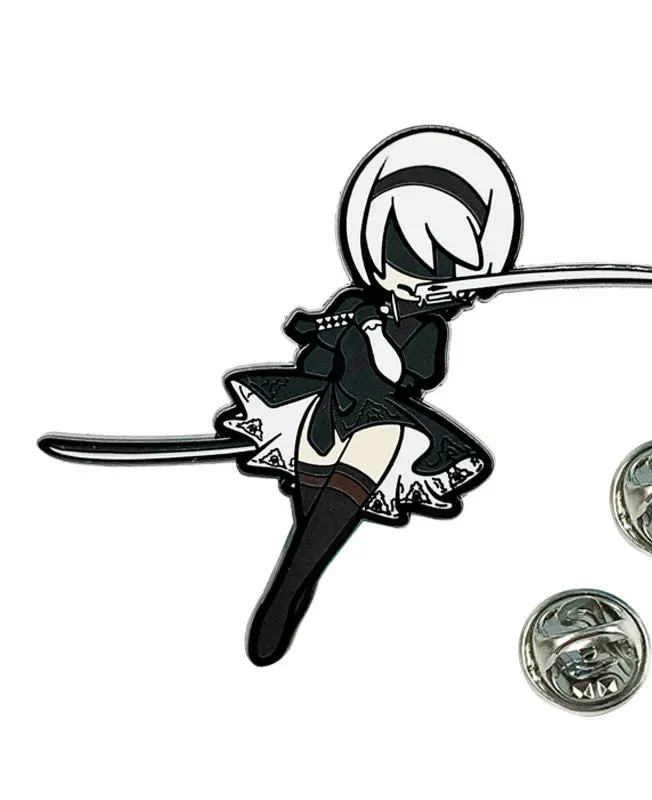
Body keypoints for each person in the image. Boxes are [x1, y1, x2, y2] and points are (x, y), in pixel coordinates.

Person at [214, 125, 523, 666]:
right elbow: (316, 367)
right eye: (399, 255)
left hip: (386, 422)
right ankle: (291, 591)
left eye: (432, 265)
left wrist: (376, 333)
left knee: (339, 505)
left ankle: (282, 595)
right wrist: (325, 332)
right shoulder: (352, 302)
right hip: (327, 412)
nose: (408, 276)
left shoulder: (427, 328)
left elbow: (400, 377)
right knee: (310, 529)